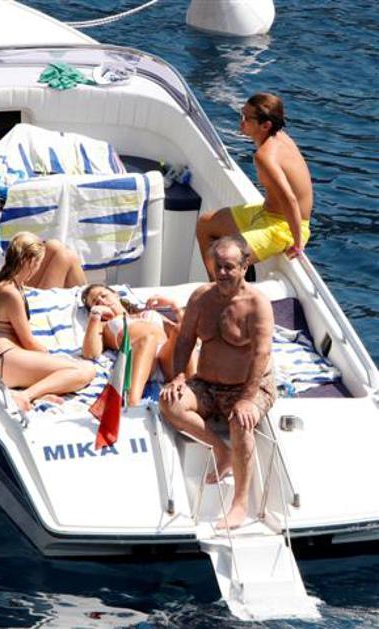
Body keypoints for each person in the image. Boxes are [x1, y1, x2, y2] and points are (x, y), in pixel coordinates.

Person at [159, 236, 277, 529]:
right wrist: (179, 376)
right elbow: (185, 340)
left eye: (229, 267)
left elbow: (261, 354)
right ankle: (220, 449)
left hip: (249, 386)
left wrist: (247, 399)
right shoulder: (201, 297)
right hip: (208, 384)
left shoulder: (257, 304)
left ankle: (240, 504)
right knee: (169, 403)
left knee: (241, 422)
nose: (222, 272)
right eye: (218, 266)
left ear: (244, 267)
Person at [196, 92, 313, 279]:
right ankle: (216, 286)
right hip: (267, 213)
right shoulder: (279, 136)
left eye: (246, 118)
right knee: (205, 224)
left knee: (226, 258)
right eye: (241, 114)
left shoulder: (264, 156)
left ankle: (227, 291)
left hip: (283, 227)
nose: (241, 121)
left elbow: (289, 199)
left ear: (266, 125)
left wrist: (298, 244)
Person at [0, 232, 95, 411]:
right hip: (6, 359)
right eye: (38, 263)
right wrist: (51, 355)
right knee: (84, 371)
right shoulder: (10, 293)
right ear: (29, 261)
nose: (37, 269)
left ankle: (38, 394)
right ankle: (25, 395)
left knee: (77, 368)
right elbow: (28, 341)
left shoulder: (9, 286)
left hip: (7, 358)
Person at [81, 284, 197, 406]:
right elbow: (91, 353)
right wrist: (95, 315)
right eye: (96, 302)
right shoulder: (105, 325)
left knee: (181, 330)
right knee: (148, 338)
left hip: (166, 358)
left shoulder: (149, 313)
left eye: (104, 296)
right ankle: (132, 403)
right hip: (139, 357)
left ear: (115, 295)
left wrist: (175, 307)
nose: (101, 301)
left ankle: (195, 391)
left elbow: (190, 336)